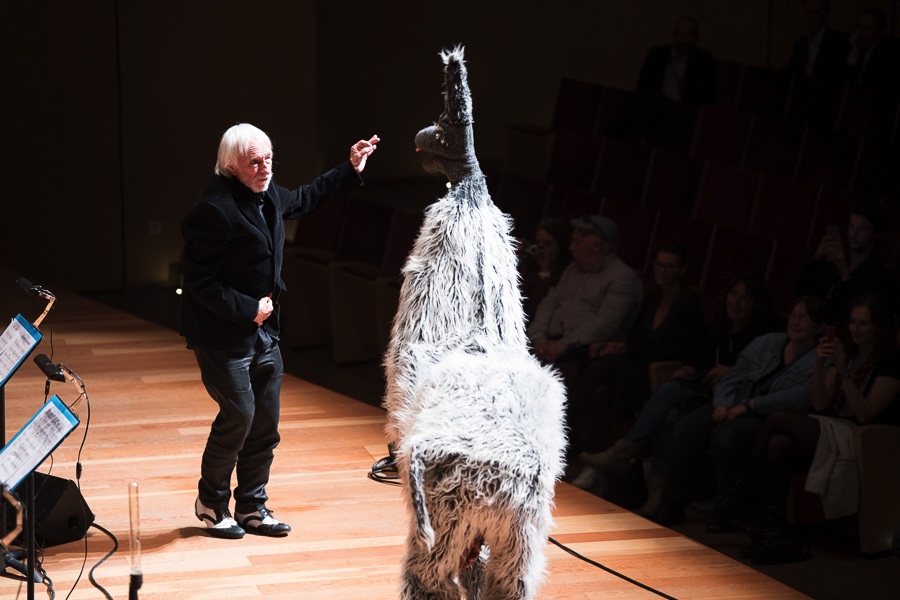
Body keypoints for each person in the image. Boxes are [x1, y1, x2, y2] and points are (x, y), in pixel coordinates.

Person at [180, 123, 379, 539]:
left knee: (266, 424)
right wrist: (247, 308)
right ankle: (211, 503)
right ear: (231, 164)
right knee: (239, 415)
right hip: (222, 335)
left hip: (264, 331)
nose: (264, 167)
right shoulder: (213, 209)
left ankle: (252, 506)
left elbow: (305, 198)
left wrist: (351, 167)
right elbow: (199, 284)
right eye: (254, 161)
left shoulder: (266, 191)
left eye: (268, 158)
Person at [574, 272, 780, 512]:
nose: (735, 302)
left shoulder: (761, 339)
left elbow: (762, 375)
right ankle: (658, 489)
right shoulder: (718, 327)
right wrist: (689, 367)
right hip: (703, 391)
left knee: (670, 395)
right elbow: (697, 358)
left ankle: (624, 452)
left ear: (756, 304)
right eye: (733, 294)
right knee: (669, 411)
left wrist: (732, 372)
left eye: (744, 298)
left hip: (731, 399)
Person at [726, 293, 900, 554]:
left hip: (867, 439)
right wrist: (820, 364)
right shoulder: (848, 353)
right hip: (836, 429)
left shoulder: (892, 362)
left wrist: (843, 373)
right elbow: (820, 401)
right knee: (778, 443)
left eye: (863, 323)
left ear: (879, 327)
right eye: (852, 322)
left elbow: (865, 414)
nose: (855, 329)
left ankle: (739, 495)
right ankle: (772, 527)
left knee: (777, 418)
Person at [651, 296, 828, 527]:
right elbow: (734, 375)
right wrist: (723, 403)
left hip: (767, 414)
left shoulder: (819, 360)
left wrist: (750, 406)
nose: (796, 321)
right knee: (687, 425)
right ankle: (672, 503)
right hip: (733, 401)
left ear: (820, 326)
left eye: (804, 318)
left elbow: (799, 396)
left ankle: (731, 506)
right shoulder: (769, 342)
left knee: (726, 436)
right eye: (794, 315)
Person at [567, 242, 707, 490]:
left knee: (601, 367)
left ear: (681, 271)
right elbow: (635, 340)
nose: (662, 271)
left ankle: (564, 429)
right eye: (659, 265)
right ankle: (595, 465)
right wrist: (624, 349)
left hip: (657, 373)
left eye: (669, 267)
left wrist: (626, 351)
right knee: (600, 392)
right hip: (636, 367)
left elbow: (673, 350)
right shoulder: (651, 300)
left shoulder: (687, 305)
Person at [528, 215, 643, 393]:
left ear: (596, 246)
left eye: (577, 242)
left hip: (581, 351)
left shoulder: (622, 279)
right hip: (549, 341)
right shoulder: (573, 270)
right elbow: (549, 304)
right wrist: (538, 338)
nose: (571, 248)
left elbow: (604, 324)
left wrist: (561, 346)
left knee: (554, 382)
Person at [796, 202, 896, 328]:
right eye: (851, 227)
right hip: (817, 328)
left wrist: (844, 273)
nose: (853, 235)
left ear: (877, 234)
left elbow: (855, 312)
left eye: (861, 229)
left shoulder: (881, 274)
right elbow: (803, 291)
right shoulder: (834, 261)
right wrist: (817, 257)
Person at [518, 218, 572, 325]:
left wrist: (545, 271)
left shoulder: (567, 273)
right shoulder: (530, 267)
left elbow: (537, 306)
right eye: (539, 243)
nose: (541, 248)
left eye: (547, 244)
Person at [784, 0, 851, 80]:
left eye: (815, 14)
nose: (810, 18)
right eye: (807, 13)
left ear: (825, 14)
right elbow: (789, 71)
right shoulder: (801, 43)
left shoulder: (839, 41)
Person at [845, 7, 900, 91]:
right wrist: (854, 52)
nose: (861, 33)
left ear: (880, 32)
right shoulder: (857, 49)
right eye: (859, 27)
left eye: (867, 29)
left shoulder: (889, 52)